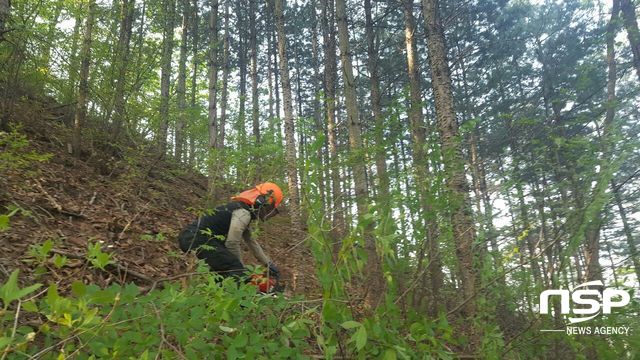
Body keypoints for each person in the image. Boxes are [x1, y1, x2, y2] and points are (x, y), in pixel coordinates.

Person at [178, 182, 283, 281]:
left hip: (194, 237)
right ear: (261, 201)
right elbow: (232, 242)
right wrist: (241, 270)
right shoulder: (243, 213)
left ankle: (217, 296)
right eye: (269, 209)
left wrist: (268, 264)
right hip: (196, 237)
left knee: (222, 272)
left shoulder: (243, 211)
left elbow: (251, 242)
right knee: (234, 267)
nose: (268, 213)